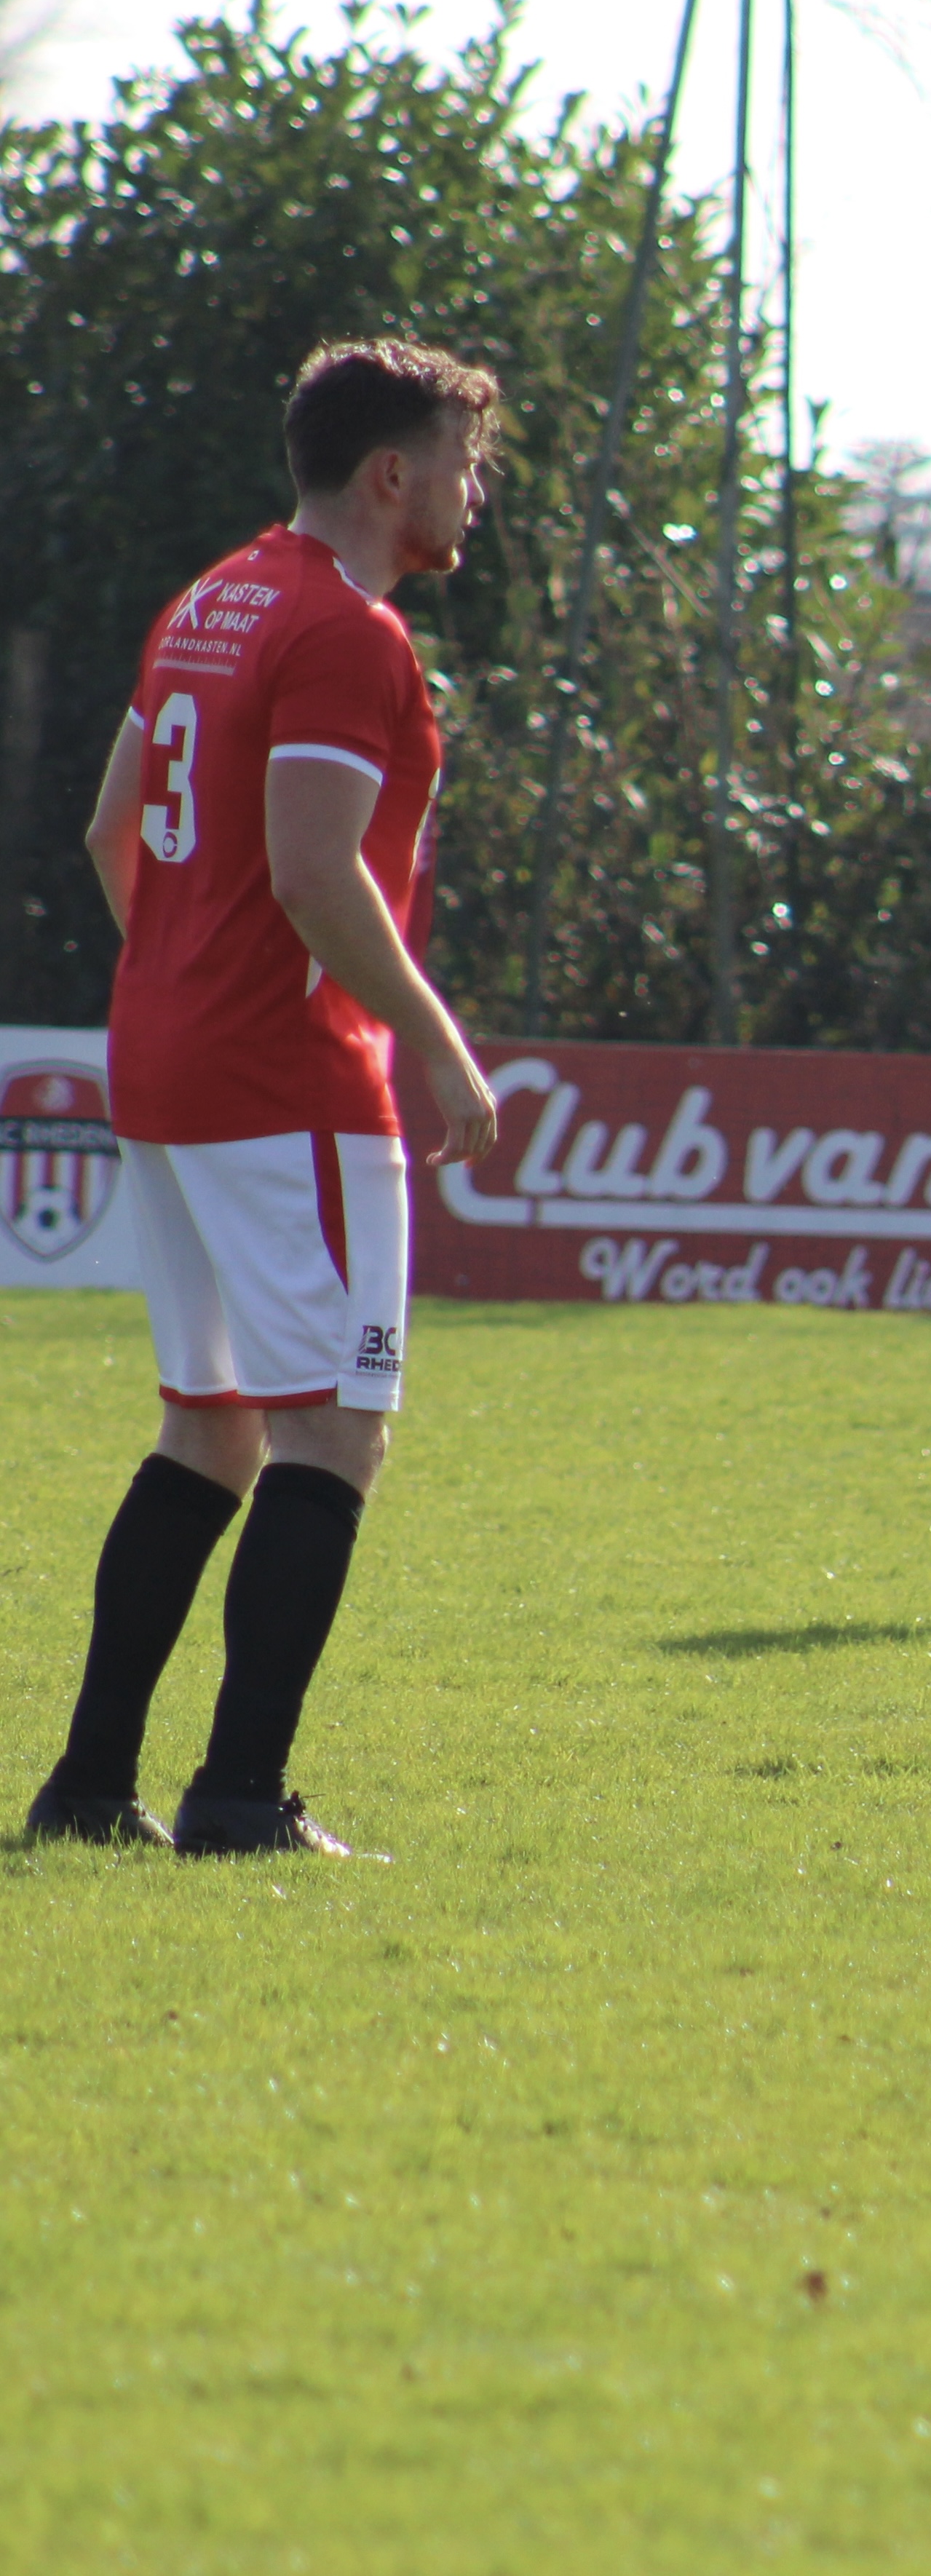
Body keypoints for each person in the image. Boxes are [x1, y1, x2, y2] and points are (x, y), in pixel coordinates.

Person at [23, 338, 504, 1856]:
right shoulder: (346, 631)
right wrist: (433, 1038)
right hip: (287, 1083)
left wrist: (180, 969)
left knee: (212, 1427)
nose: (470, 491)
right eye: (460, 461)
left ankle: (93, 1785)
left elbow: (114, 829)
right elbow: (312, 870)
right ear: (389, 474)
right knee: (335, 1430)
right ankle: (240, 1795)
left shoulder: (209, 600)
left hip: (158, 1063)